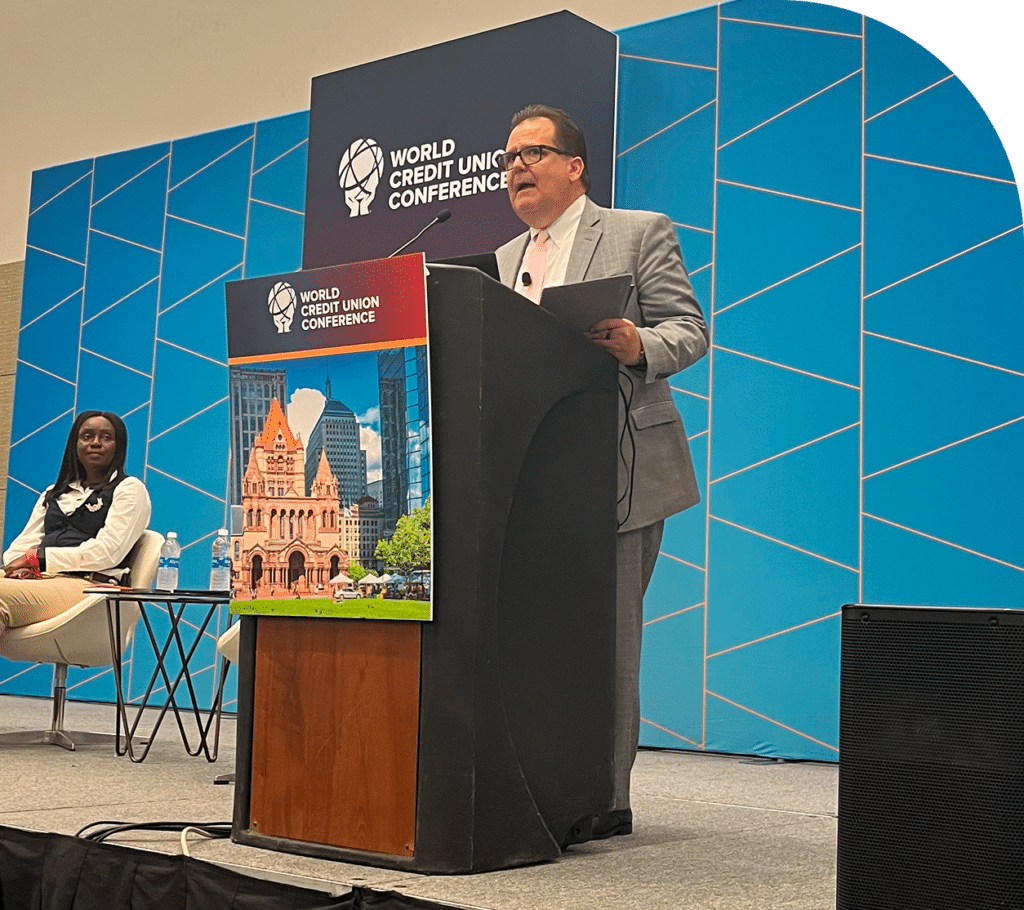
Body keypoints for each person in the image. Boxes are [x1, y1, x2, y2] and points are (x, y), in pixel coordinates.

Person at [495, 105, 709, 838]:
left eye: (532, 154)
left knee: (608, 640)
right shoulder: (502, 260)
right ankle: (541, 778)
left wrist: (634, 341)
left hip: (619, 468)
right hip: (534, 476)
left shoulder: (635, 231)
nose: (516, 168)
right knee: (538, 637)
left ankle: (603, 799)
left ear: (575, 165)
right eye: (509, 159)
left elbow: (690, 330)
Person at [0, 410, 152, 641]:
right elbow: (21, 547)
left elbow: (107, 552)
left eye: (106, 438)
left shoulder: (129, 489)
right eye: (87, 436)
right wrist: (19, 567)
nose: (96, 443)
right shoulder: (53, 494)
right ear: (75, 444)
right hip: (41, 581)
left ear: (118, 447)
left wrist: (40, 559)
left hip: (90, 588)